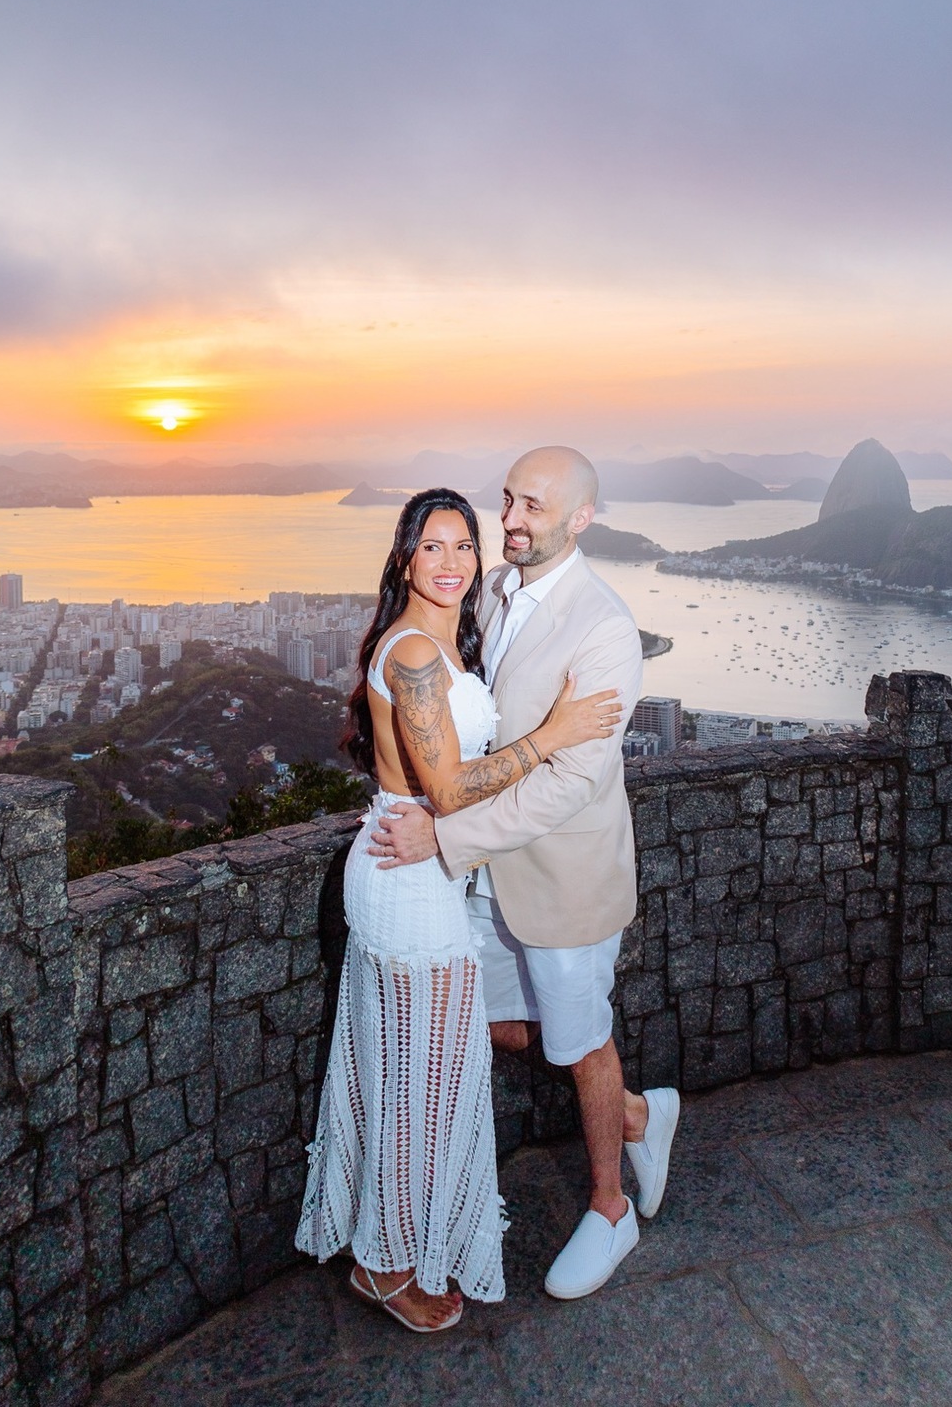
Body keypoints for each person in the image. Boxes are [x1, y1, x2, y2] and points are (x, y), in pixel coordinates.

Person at [294, 487, 623, 1333]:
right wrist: (555, 733)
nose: (452, 563)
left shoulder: (442, 639)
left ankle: (382, 1247)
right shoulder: (411, 653)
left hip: (419, 870)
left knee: (414, 1068)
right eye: (433, 547)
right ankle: (390, 1265)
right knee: (422, 1083)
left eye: (464, 546)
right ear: (405, 556)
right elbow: (444, 787)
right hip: (408, 887)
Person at [372, 448, 682, 1300]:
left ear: (581, 518)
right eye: (506, 500)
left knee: (580, 1042)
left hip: (564, 880)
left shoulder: (605, 627)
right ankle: (642, 1116)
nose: (508, 519)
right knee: (491, 1022)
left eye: (532, 505)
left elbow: (571, 781)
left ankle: (611, 1208)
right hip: (487, 879)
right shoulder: (496, 590)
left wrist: (446, 838)